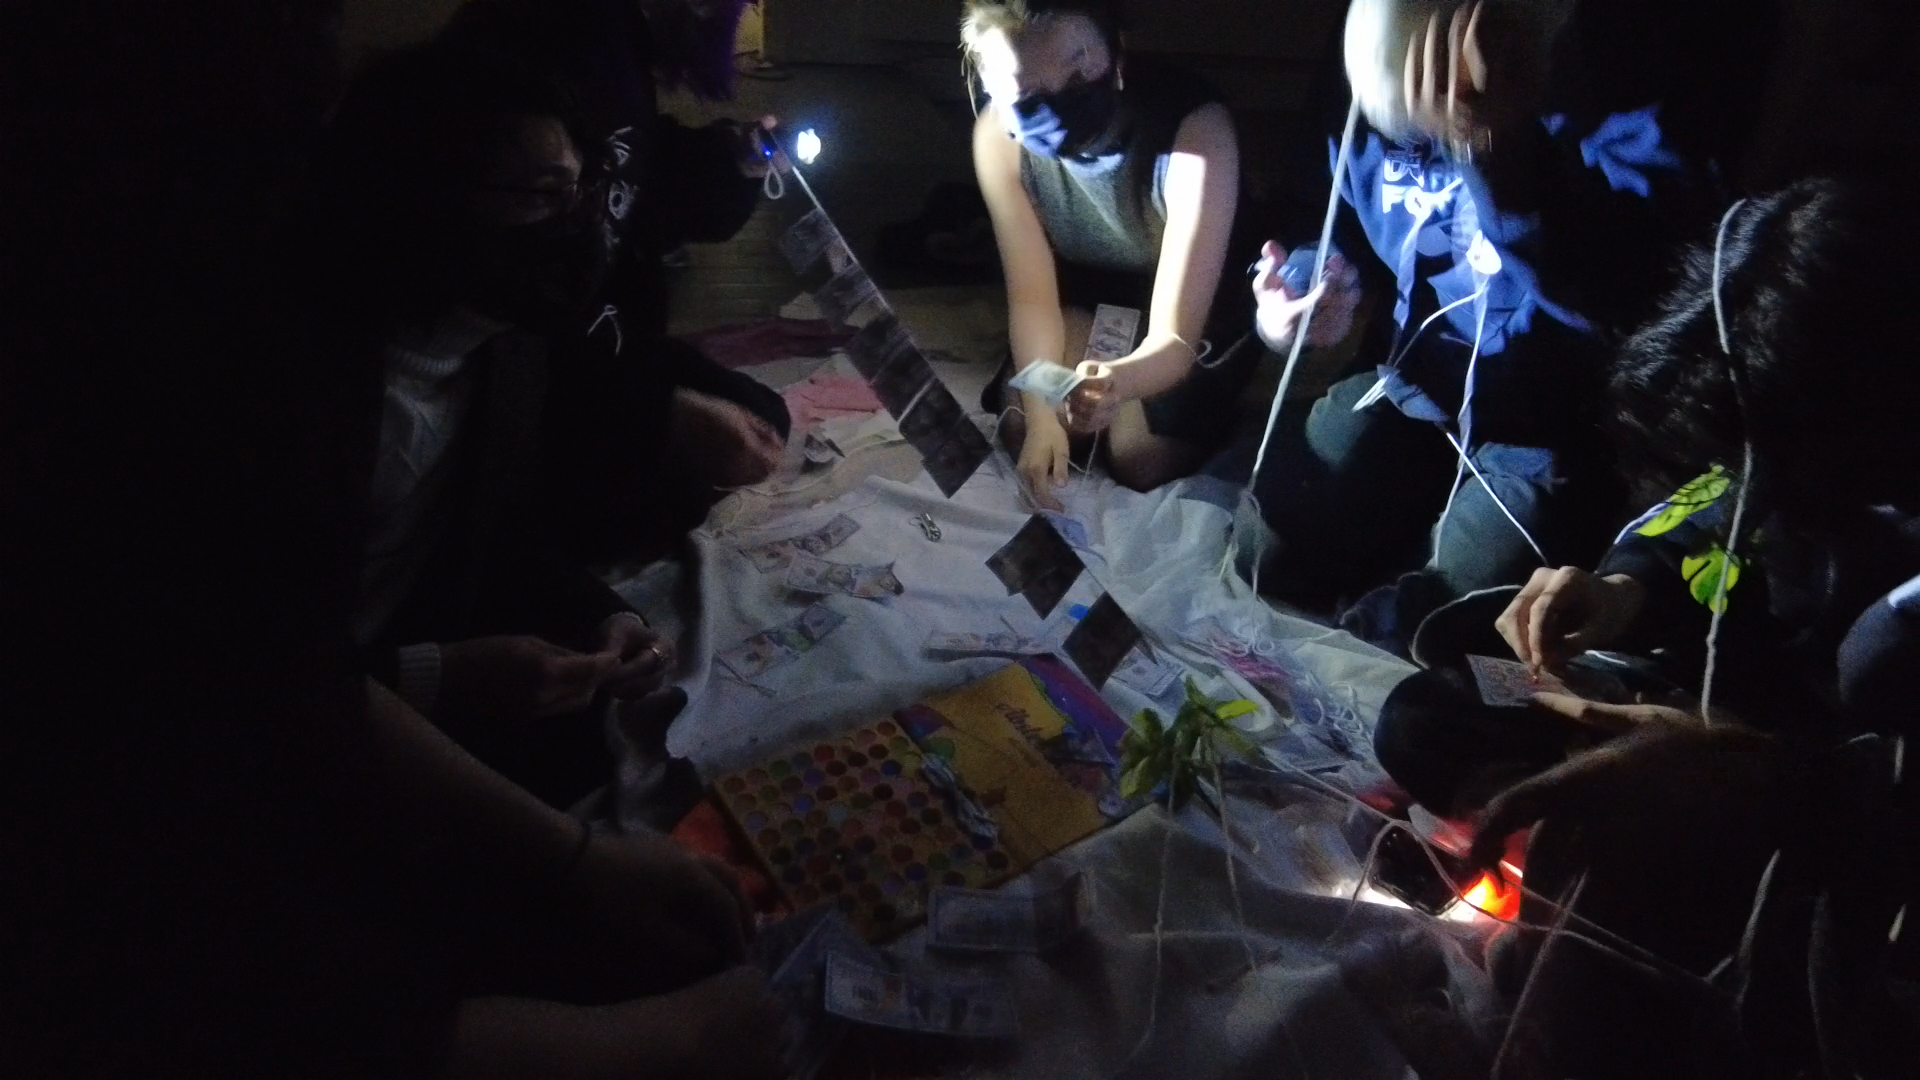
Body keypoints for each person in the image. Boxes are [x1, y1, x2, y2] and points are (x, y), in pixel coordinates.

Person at [1374, 178, 1920, 816]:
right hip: (1701, 707)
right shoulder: (1806, 442)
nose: (1757, 479)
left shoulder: (1890, 614)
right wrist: (1624, 590)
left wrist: (1742, 761)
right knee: (1424, 720)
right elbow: (1719, 507)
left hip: (1822, 804)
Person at [1249, 0, 1767, 654]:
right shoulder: (1379, 36)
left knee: (1435, 635)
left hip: (1558, 429)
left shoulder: (1647, 61)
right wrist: (1303, 287)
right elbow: (1332, 215)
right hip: (1416, 389)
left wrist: (1499, 148)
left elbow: (1629, 296)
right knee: (1264, 552)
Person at [297, 43, 691, 808]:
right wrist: (437, 676)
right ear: (426, 198)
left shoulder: (503, 346)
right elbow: (224, 668)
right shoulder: (296, 384)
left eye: (579, 191)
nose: (575, 227)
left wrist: (604, 616)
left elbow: (507, 532)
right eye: (543, 196)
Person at [443, 0, 794, 558]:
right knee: (675, 492)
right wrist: (653, 407)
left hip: (602, 343)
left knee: (759, 420)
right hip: (523, 381)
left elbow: (631, 181)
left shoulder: (617, 40)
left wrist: (728, 159)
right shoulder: (554, 39)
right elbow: (504, 308)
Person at [964, 0, 1249, 507]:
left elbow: (1175, 337)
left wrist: (1119, 382)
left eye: (1078, 76)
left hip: (1188, 303)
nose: (1058, 105)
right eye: (1028, 94)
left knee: (1140, 459)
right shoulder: (997, 138)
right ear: (991, 86)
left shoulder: (1193, 132)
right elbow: (1032, 300)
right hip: (1088, 294)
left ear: (1116, 56)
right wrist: (1040, 416)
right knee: (1026, 424)